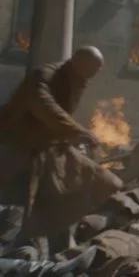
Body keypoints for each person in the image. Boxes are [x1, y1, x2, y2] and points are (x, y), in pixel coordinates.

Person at [0, 46, 122, 257]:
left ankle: (61, 247)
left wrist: (72, 138)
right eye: (93, 68)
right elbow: (44, 107)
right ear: (79, 62)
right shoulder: (45, 76)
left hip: (50, 148)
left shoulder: (75, 79)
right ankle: (23, 250)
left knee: (101, 182)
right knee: (23, 200)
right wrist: (77, 131)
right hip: (19, 146)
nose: (95, 75)